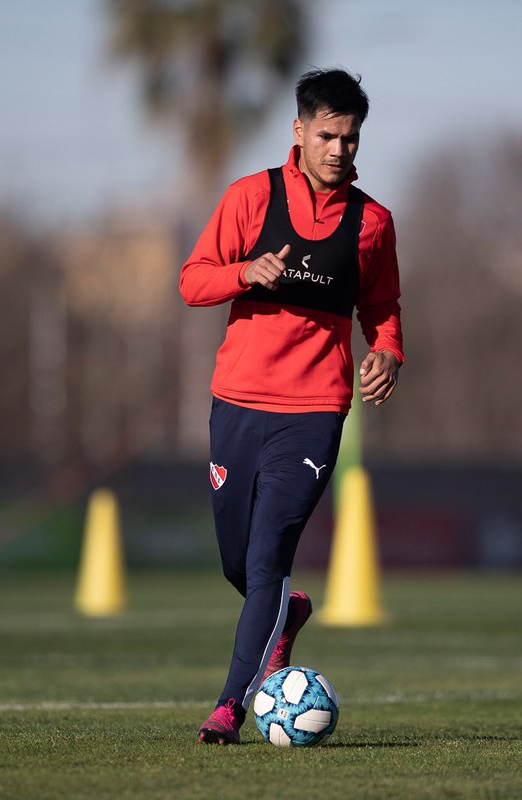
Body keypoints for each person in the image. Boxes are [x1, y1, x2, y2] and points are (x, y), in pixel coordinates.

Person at [179, 67, 403, 745]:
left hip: (313, 413)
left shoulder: (373, 222)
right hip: (237, 405)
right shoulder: (251, 197)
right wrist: (243, 272)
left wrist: (388, 350)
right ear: (299, 131)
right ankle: (285, 614)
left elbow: (382, 305)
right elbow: (192, 282)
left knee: (266, 561)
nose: (339, 149)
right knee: (239, 565)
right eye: (328, 135)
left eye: (351, 138)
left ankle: (229, 708)